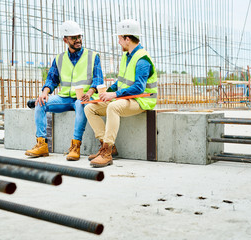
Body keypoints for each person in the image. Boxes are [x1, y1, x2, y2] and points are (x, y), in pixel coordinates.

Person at [25, 20, 103, 161]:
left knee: (81, 105)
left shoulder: (93, 56)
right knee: (40, 103)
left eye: (79, 36)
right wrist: (45, 92)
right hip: (64, 98)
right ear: (65, 40)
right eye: (74, 38)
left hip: (83, 98)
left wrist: (90, 92)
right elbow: (52, 79)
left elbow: (98, 80)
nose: (78, 40)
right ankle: (41, 145)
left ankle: (75, 146)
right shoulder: (59, 59)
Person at [85, 19, 157, 168]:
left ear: (127, 39)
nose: (118, 42)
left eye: (119, 38)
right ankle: (104, 143)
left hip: (142, 101)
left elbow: (139, 87)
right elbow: (120, 82)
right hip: (126, 98)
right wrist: (104, 95)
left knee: (113, 107)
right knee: (90, 108)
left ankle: (107, 151)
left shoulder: (142, 59)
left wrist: (115, 95)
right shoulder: (126, 56)